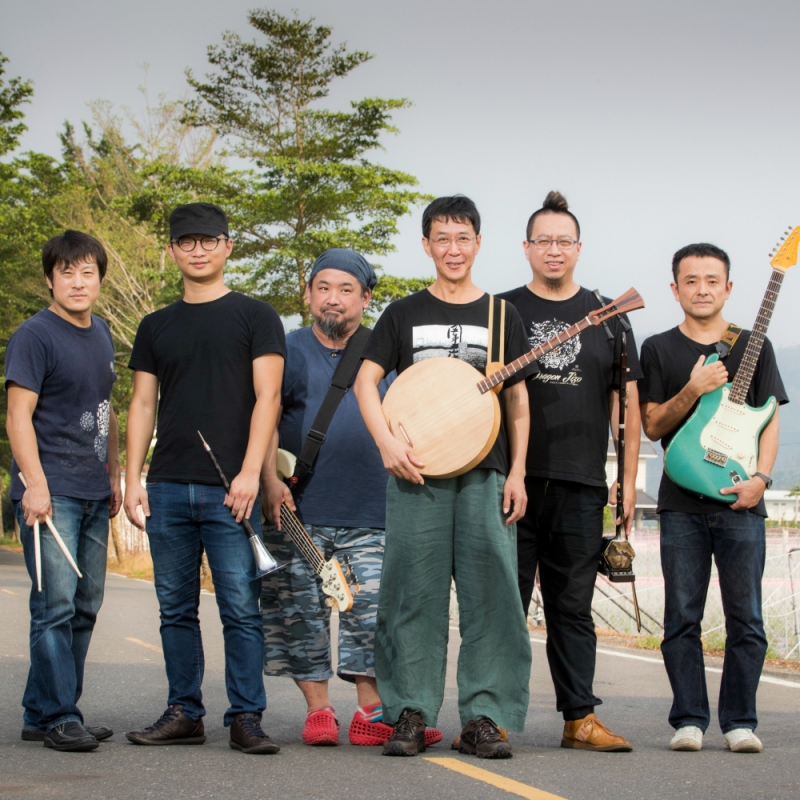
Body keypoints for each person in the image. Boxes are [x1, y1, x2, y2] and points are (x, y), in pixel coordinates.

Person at [354, 195, 533, 759]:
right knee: (411, 591)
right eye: (442, 238)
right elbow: (365, 382)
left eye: (463, 238)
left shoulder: (503, 315)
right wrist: (386, 442)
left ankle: (486, 717)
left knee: (493, 594)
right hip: (418, 474)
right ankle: (409, 711)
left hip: (486, 472)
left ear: (478, 243)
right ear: (426, 245)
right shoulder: (402, 312)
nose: (453, 249)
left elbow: (518, 402)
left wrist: (518, 471)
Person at [260, 248, 441, 748]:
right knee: (300, 612)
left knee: (373, 612)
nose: (333, 299)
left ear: (365, 297)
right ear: (308, 294)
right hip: (297, 509)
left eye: (345, 290)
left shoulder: (387, 352)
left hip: (373, 508)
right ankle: (318, 711)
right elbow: (264, 418)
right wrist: (268, 480)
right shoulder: (287, 350)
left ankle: (370, 712)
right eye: (323, 288)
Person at [123, 202, 285, 754]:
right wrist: (132, 478)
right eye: (186, 241)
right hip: (167, 485)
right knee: (175, 608)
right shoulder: (155, 325)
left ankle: (247, 717)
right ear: (172, 250)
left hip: (230, 490)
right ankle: (184, 712)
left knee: (239, 607)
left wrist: (250, 473)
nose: (198, 250)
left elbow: (269, 398)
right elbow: (142, 404)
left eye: (208, 240)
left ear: (227, 246)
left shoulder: (255, 316)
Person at [498, 190, 640, 752]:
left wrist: (627, 480)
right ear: (526, 247)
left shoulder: (609, 316)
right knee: (505, 603)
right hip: (510, 481)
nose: (553, 250)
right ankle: (494, 716)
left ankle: (580, 718)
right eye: (543, 241)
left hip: (582, 483)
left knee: (573, 607)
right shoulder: (501, 310)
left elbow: (625, 405)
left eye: (564, 241)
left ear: (578, 248)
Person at [639, 243, 787, 754]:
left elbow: (769, 418)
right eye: (691, 280)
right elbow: (652, 424)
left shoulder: (756, 345)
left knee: (747, 618)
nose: (701, 289)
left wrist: (761, 479)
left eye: (711, 280)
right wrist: (693, 388)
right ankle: (689, 719)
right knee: (682, 617)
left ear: (728, 287)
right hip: (681, 502)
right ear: (675, 288)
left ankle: (740, 721)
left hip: (742, 499)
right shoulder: (658, 348)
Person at [6, 230, 121, 752]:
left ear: (99, 279)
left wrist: (113, 472)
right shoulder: (34, 335)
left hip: (93, 489)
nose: (78, 282)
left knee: (85, 605)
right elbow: (18, 416)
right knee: (54, 605)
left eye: (87, 272)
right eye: (66, 272)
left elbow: (106, 408)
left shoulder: (102, 333)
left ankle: (43, 711)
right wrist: (34, 485)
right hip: (50, 492)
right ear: (50, 280)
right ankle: (60, 715)